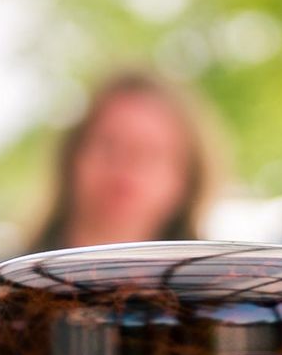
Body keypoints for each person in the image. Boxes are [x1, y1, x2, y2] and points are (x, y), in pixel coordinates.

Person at [30, 68, 217, 250]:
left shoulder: (224, 279)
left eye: (150, 153)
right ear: (73, 158)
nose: (128, 163)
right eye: (109, 145)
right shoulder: (8, 276)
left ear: (186, 178)